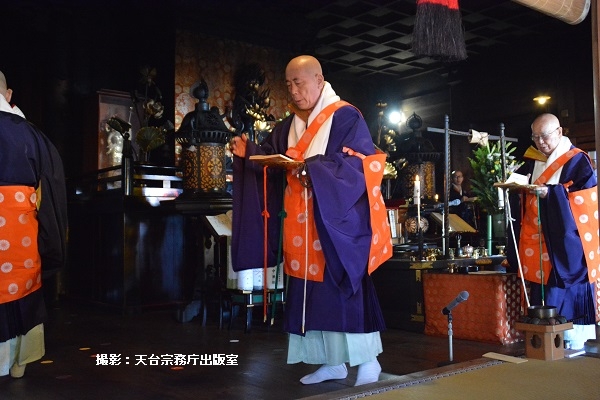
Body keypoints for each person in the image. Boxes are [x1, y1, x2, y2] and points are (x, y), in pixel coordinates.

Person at [230, 55, 386, 386]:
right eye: (288, 84)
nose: (293, 91)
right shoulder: (288, 126)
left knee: (344, 292)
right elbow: (269, 160)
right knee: (311, 298)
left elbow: (360, 164)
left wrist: (311, 169)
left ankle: (367, 362)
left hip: (334, 227)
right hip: (299, 226)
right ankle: (332, 363)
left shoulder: (345, 116)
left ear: (318, 80)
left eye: (298, 83)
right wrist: (249, 153)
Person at [506, 113, 597, 350]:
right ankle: (542, 340)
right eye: (535, 137)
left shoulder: (577, 160)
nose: (540, 142)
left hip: (564, 238)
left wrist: (552, 194)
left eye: (545, 136)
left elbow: (585, 199)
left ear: (559, 132)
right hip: (537, 236)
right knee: (542, 284)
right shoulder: (532, 159)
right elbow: (522, 186)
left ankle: (573, 340)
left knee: (565, 282)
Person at [0, 71, 68, 378]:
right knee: (22, 292)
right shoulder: (31, 135)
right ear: (8, 94)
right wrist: (50, 245)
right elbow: (50, 196)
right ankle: (18, 363)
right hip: (20, 238)